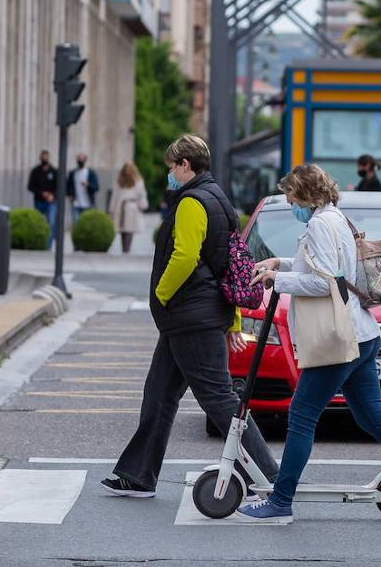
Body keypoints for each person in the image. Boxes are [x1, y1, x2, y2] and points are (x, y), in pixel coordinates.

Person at [238, 163, 381, 523]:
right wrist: (282, 263)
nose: (290, 203)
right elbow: (328, 269)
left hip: (338, 338)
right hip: (362, 334)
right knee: (374, 418)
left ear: (305, 193)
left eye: (291, 195)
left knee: (302, 416)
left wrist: (279, 279)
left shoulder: (320, 224)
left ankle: (280, 502)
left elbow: (324, 284)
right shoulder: (336, 219)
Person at [101, 135, 279, 497]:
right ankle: (138, 476)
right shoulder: (221, 199)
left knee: (218, 398)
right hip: (193, 317)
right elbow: (228, 266)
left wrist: (161, 294)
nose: (169, 173)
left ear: (185, 165)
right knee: (159, 394)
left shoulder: (192, 202)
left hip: (189, 316)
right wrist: (231, 321)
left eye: (172, 166)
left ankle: (272, 476)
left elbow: (185, 256)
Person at [108, 162, 148, 254]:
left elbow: (114, 197)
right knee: (128, 230)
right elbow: (142, 195)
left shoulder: (121, 181)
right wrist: (143, 204)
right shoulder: (137, 181)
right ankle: (126, 249)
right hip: (131, 207)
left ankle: (125, 249)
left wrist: (112, 210)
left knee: (125, 230)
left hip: (122, 206)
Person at [27, 150, 58, 248]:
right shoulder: (36, 171)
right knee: (39, 222)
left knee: (51, 222)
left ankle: (48, 244)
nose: (45, 159)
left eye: (46, 157)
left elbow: (59, 186)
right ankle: (40, 243)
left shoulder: (54, 171)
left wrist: (52, 195)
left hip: (51, 201)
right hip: (39, 200)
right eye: (43, 157)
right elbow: (30, 186)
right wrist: (41, 193)